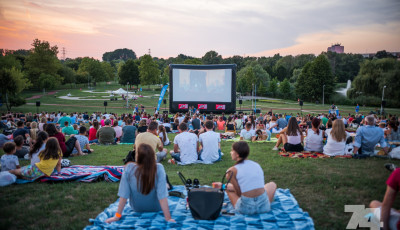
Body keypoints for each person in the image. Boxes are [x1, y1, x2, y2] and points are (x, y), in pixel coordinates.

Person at [105, 143, 174, 223]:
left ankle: (166, 185)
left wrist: (117, 216)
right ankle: (167, 185)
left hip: (136, 208)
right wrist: (168, 218)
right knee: (164, 186)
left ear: (137, 156)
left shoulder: (129, 168)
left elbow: (124, 195)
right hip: (156, 207)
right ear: (152, 156)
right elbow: (162, 195)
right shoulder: (159, 168)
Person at [221, 141, 276, 214]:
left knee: (227, 188)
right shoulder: (256, 165)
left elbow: (239, 193)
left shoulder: (231, 171)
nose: (230, 152)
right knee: (272, 184)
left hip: (245, 209)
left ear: (237, 154)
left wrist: (225, 187)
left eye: (232, 150)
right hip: (264, 207)